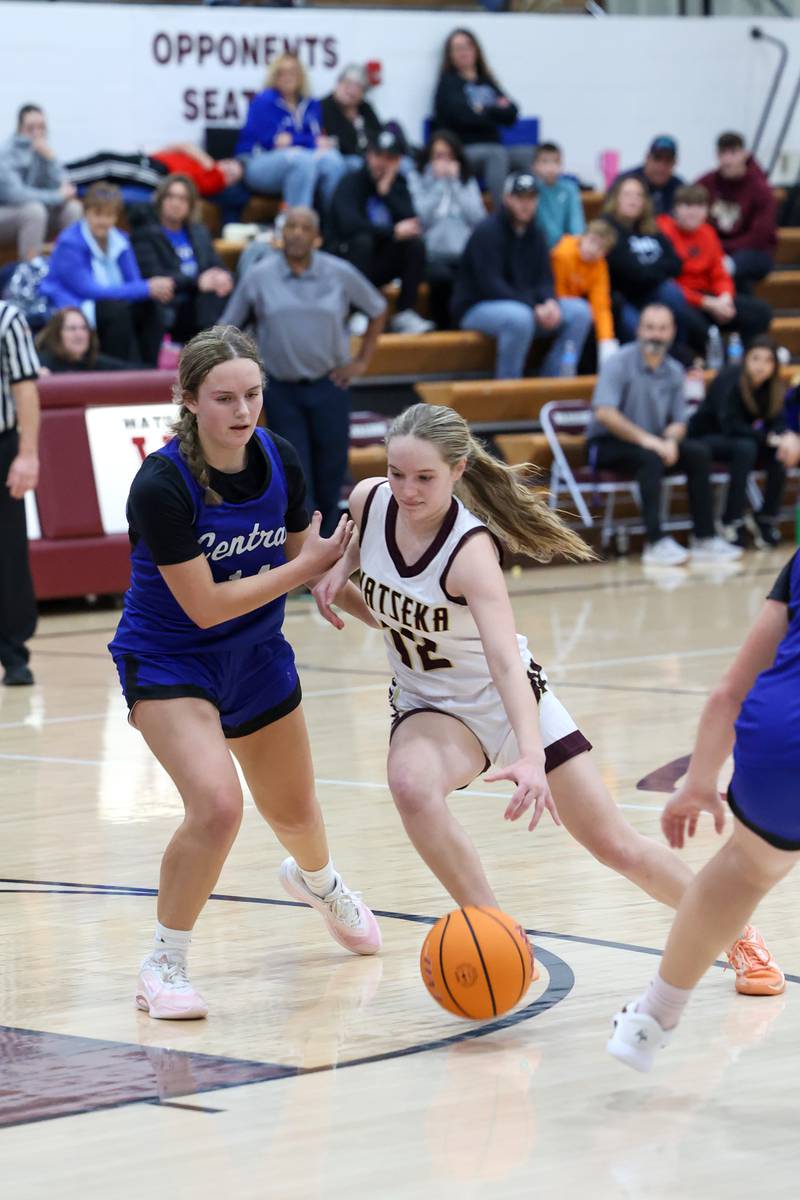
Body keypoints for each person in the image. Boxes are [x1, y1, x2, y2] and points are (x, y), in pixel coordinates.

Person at [312, 401, 782, 1003]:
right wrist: (337, 571)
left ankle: (734, 932)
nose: (406, 489)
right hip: (430, 705)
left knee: (613, 844)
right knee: (410, 785)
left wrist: (530, 754)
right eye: (397, 473)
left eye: (423, 477)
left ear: (457, 470)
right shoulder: (369, 502)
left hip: (507, 700)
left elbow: (507, 662)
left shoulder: (471, 549)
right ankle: (502, 937)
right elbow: (376, 577)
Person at [106, 324, 381, 1019]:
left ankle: (318, 882)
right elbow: (204, 606)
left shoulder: (279, 458)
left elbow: (310, 566)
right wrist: (304, 569)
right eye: (223, 397)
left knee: (297, 812)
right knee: (218, 806)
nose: (241, 411)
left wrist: (393, 621)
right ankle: (163, 963)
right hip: (171, 658)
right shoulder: (162, 482)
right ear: (189, 400)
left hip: (256, 656)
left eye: (252, 395)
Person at [608, 548, 799, 1073]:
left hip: (781, 742)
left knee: (747, 868)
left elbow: (729, 693)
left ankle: (652, 1019)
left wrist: (698, 781)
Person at [221, 207, 386, 535]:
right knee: (295, 474)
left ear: (317, 237)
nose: (296, 232)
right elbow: (227, 329)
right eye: (290, 226)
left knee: (332, 472)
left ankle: (329, 553)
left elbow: (378, 309)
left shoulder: (339, 272)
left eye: (304, 227)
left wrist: (361, 361)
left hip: (330, 386)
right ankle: (303, 556)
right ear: (280, 235)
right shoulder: (260, 275)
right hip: (281, 388)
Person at [587, 304, 743, 566]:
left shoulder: (673, 370)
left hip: (654, 443)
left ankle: (704, 537)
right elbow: (605, 414)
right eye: (649, 328)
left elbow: (679, 421)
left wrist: (670, 440)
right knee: (650, 457)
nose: (655, 335)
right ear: (638, 330)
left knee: (698, 453)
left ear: (672, 333)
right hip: (607, 444)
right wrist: (651, 442)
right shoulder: (618, 362)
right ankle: (655, 542)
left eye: (662, 329)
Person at [452, 172, 592, 379]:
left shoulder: (537, 234)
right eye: (520, 198)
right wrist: (534, 306)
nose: (526, 204)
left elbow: (545, 278)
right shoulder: (487, 231)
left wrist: (550, 302)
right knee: (519, 319)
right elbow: (491, 285)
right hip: (476, 307)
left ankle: (556, 380)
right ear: (507, 199)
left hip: (525, 306)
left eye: (531, 198)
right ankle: (508, 388)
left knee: (580, 312)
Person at [39, 183, 173, 367]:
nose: (104, 221)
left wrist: (150, 289)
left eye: (109, 215)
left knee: (150, 306)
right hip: (73, 304)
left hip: (110, 302)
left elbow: (134, 282)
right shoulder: (69, 242)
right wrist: (146, 287)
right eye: (98, 214)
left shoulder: (121, 239)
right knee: (115, 310)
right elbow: (89, 290)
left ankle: (149, 370)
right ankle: (120, 375)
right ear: (86, 213)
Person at [327, 127, 434, 335]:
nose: (382, 162)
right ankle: (357, 312)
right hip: (344, 261)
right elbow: (350, 225)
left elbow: (412, 224)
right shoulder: (351, 182)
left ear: (399, 161)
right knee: (363, 241)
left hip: (377, 264)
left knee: (415, 245)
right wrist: (391, 231)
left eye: (390, 157)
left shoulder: (397, 185)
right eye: (378, 155)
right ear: (368, 155)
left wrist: (387, 193)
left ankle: (404, 313)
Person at [687, 337, 791, 548]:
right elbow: (730, 425)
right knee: (746, 448)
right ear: (745, 360)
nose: (761, 366)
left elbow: (777, 422)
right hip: (706, 438)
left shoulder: (772, 387)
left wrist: (785, 437)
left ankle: (765, 518)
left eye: (768, 360)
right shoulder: (730, 378)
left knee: (779, 453)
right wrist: (769, 438)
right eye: (756, 359)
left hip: (741, 441)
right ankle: (730, 519)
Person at [658, 184, 772, 359]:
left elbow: (719, 272)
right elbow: (666, 283)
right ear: (675, 208)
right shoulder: (663, 231)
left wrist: (725, 298)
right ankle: (722, 363)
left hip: (711, 298)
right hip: (683, 299)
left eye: (699, 206)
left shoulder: (707, 232)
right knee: (692, 322)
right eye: (687, 206)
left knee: (760, 312)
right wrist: (707, 303)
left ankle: (750, 359)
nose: (693, 212)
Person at [433, 28, 534, 209]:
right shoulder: (448, 84)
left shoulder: (487, 82)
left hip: (495, 147)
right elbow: (462, 117)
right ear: (450, 55)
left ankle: (531, 216)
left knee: (532, 154)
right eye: (458, 48)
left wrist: (483, 110)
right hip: (464, 152)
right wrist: (494, 111)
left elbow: (512, 113)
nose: (464, 51)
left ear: (476, 50)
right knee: (496, 155)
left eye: (468, 46)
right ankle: (503, 218)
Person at [131, 174, 234, 345]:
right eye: (170, 196)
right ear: (161, 200)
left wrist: (225, 278)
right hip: (173, 305)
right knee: (209, 298)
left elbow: (216, 265)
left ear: (190, 204)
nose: (176, 203)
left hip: (201, 302)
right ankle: (211, 350)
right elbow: (154, 275)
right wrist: (197, 282)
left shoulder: (199, 232)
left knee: (230, 286)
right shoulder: (145, 234)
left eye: (182, 198)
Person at [237, 53, 346, 211]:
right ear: (274, 76)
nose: (288, 77)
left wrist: (295, 141)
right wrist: (308, 142)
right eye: (282, 73)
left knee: (333, 160)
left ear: (301, 75)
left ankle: (332, 225)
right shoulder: (263, 101)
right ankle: (297, 226)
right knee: (302, 161)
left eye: (293, 72)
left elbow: (316, 140)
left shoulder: (311, 103)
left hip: (300, 156)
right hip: (258, 161)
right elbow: (272, 142)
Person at [408, 130, 486, 329]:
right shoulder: (416, 177)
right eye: (439, 156)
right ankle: (443, 332)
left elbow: (478, 217)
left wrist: (456, 185)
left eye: (450, 156)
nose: (445, 162)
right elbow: (421, 217)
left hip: (462, 254)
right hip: (432, 254)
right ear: (429, 157)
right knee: (442, 279)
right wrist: (440, 184)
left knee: (473, 280)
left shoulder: (466, 180)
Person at [0, 301, 40, 686]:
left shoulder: (6, 318)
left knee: (8, 554)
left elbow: (25, 389)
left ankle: (14, 654)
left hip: (2, 445)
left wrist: (28, 455)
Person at [602, 176, 686, 345]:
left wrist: (647, 270)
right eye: (627, 194)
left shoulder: (651, 227)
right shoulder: (607, 227)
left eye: (638, 195)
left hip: (652, 293)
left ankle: (678, 357)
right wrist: (657, 268)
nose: (633, 200)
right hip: (623, 298)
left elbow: (676, 263)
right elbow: (629, 271)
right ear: (616, 198)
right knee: (642, 334)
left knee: (673, 293)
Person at [697, 132, 777, 295]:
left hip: (752, 252)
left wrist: (721, 250)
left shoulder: (760, 189)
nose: (727, 160)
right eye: (722, 153)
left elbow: (760, 237)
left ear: (744, 154)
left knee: (731, 268)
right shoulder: (707, 182)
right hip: (714, 248)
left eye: (733, 153)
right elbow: (690, 213)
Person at [0, 104, 82, 260]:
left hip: (39, 213)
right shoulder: (5, 154)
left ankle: (69, 265)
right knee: (34, 211)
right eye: (31, 128)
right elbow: (16, 195)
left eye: (41, 127)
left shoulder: (44, 150)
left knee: (73, 208)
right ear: (19, 128)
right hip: (7, 214)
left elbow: (65, 187)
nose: (37, 133)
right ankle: (31, 273)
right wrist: (56, 196)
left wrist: (50, 159)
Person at [551, 219, 619, 368]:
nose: (593, 249)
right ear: (583, 236)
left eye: (600, 247)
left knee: (594, 320)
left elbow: (601, 305)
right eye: (592, 241)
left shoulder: (599, 266)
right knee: (581, 314)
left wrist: (606, 340)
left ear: (605, 253)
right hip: (552, 304)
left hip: (576, 309)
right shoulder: (563, 253)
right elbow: (557, 291)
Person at [320, 65, 382, 166]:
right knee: (357, 164)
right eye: (347, 84)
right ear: (338, 83)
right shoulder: (324, 107)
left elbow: (378, 134)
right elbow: (339, 142)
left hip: (371, 157)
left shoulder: (365, 108)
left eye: (358, 86)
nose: (351, 90)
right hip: (342, 159)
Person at [35, 306, 129, 373]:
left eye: (84, 328)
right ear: (56, 334)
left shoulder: (95, 362)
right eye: (72, 328)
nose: (79, 334)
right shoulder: (40, 364)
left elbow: (135, 373)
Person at [531, 142, 585, 249]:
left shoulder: (570, 189)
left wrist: (576, 244)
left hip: (566, 249)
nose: (551, 167)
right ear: (534, 166)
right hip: (538, 249)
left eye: (556, 161)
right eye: (545, 162)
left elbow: (576, 223)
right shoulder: (532, 189)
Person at [619, 136, 684, 217]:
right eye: (657, 158)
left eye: (668, 161)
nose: (661, 166)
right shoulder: (626, 181)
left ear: (675, 163)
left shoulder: (680, 188)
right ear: (647, 157)